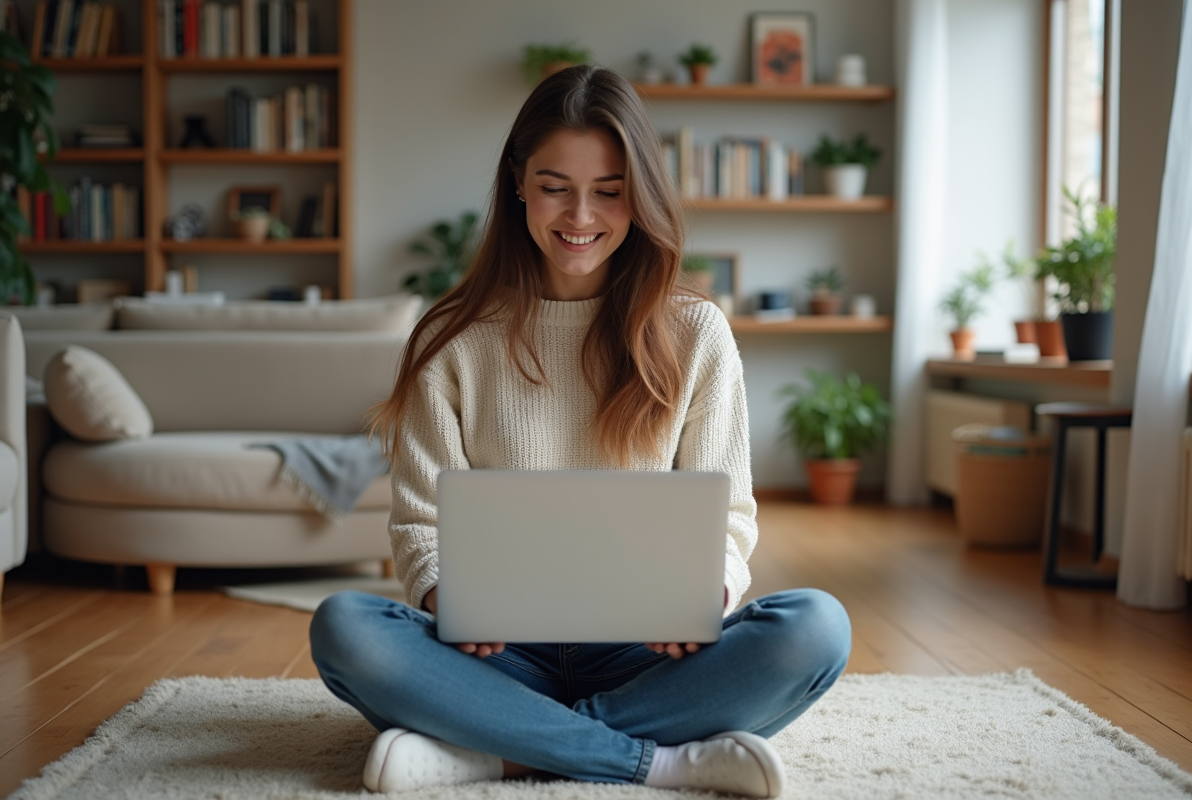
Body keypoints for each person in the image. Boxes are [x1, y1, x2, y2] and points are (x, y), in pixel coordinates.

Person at [309, 65, 851, 798]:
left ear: (641, 195)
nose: (580, 215)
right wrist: (445, 594)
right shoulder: (452, 339)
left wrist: (708, 591)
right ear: (518, 183)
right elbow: (419, 526)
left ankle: (493, 749)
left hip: (648, 652)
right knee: (345, 627)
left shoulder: (696, 333)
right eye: (556, 185)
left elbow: (729, 519)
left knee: (816, 628)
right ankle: (652, 758)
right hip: (495, 654)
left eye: (609, 190)